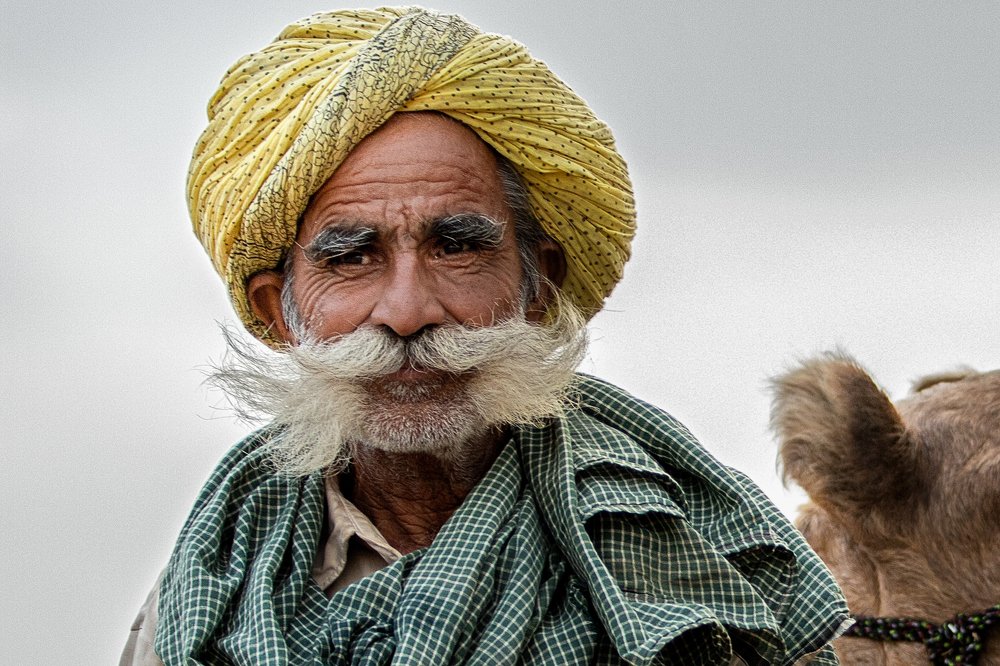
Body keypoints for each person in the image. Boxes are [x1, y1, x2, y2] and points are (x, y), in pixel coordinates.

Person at [123, 7, 850, 665]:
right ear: (281, 315)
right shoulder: (213, 586)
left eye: (457, 247)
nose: (407, 312)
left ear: (540, 287)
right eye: (351, 258)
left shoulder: (694, 557)